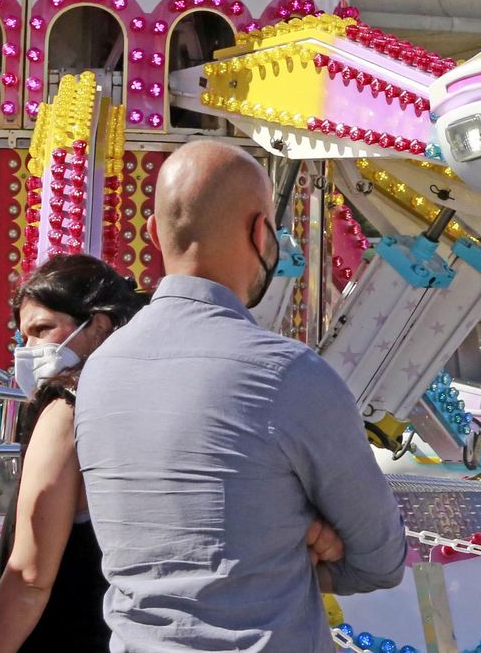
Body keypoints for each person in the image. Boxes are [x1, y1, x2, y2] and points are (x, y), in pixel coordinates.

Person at [73, 141, 407, 651]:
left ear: (154, 235)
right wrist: (306, 544)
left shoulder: (98, 372)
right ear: (260, 233)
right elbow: (381, 556)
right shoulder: (286, 373)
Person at [0, 257, 143, 652]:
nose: (29, 349)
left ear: (99, 327)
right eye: (24, 336)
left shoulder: (65, 411)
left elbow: (31, 577)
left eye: (42, 330)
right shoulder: (148, 403)